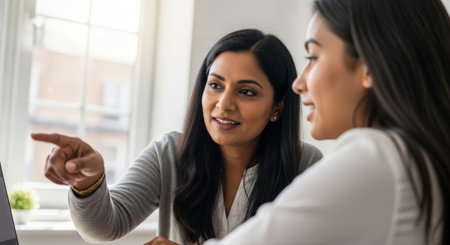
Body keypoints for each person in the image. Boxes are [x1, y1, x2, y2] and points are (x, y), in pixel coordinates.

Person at [31, 29, 323, 245]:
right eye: (216, 85)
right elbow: (105, 227)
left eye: (246, 91)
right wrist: (87, 181)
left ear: (277, 106)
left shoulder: (307, 167)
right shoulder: (170, 153)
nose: (224, 104)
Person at [204, 0, 450, 244]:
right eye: (215, 85)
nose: (298, 84)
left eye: (313, 57)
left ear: (368, 67)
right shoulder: (420, 158)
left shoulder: (375, 158)